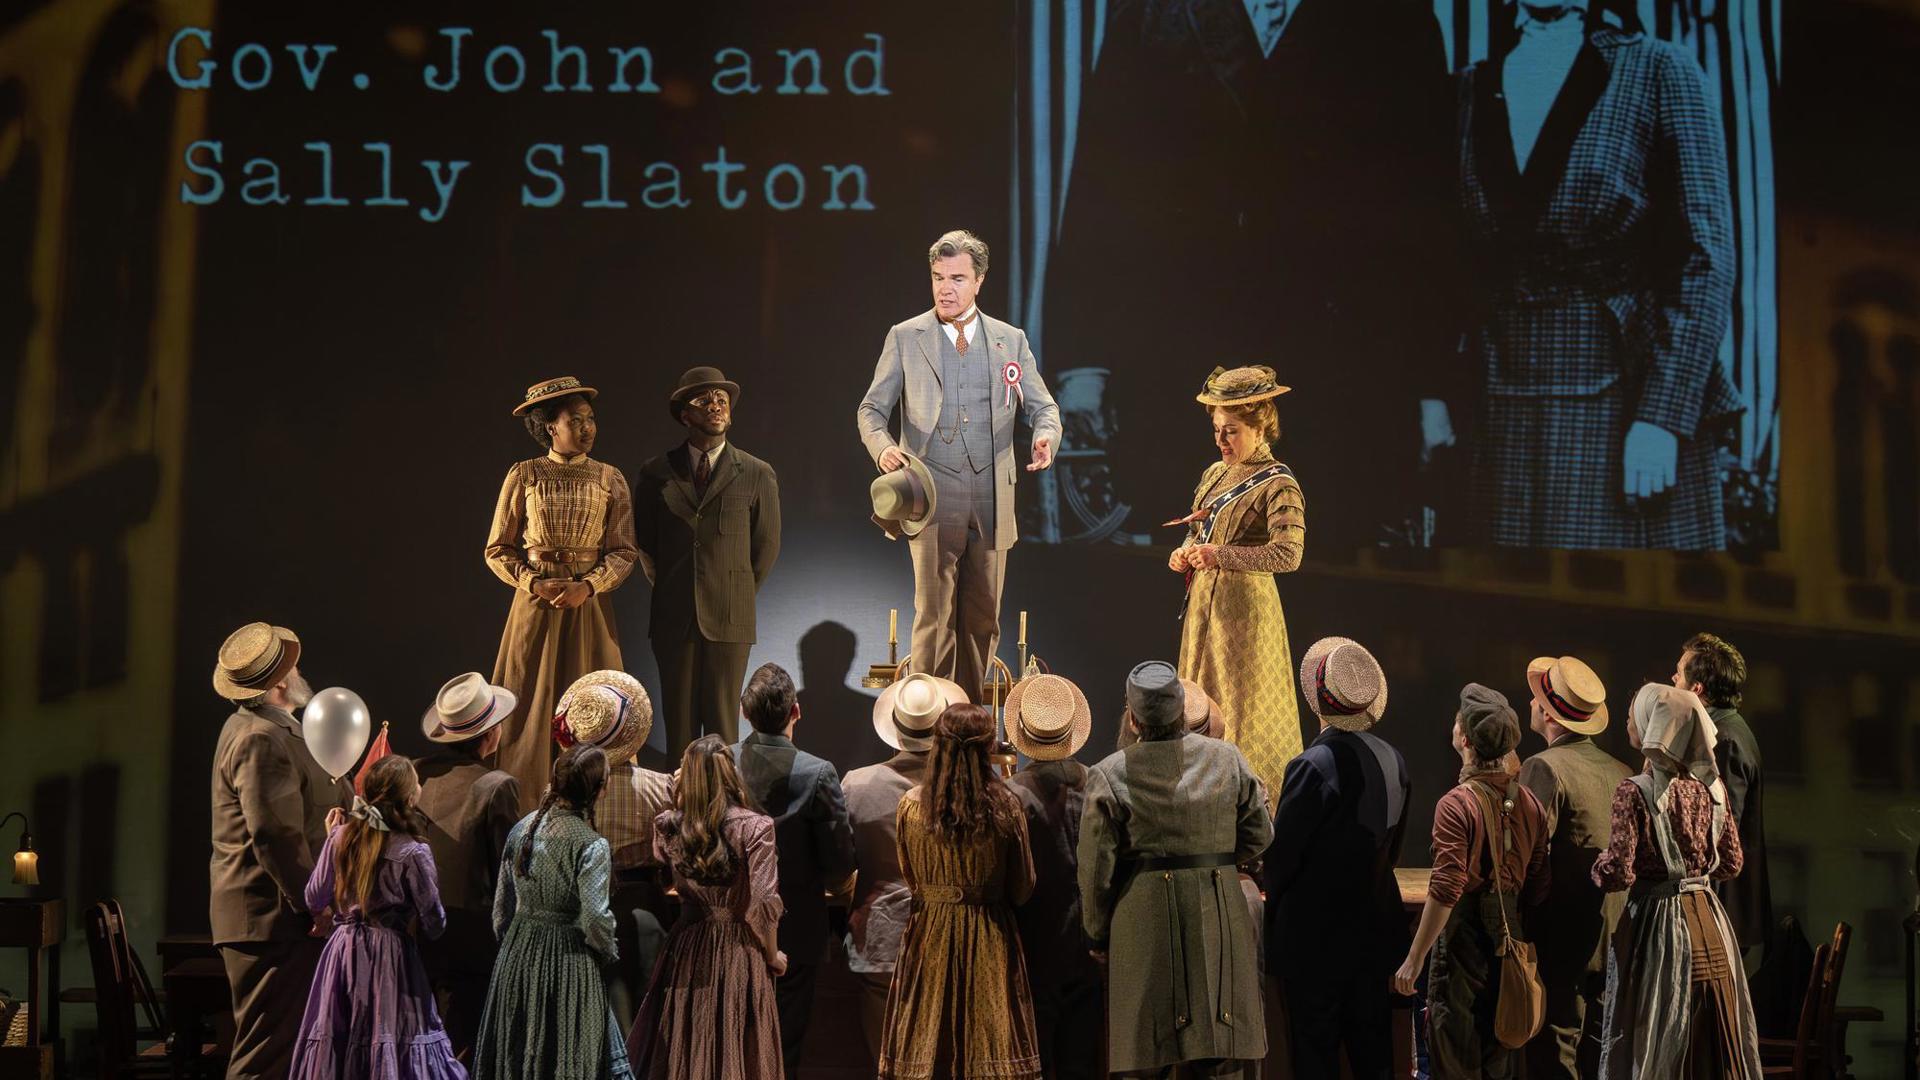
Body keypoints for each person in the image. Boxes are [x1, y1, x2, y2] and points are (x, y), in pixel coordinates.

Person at [1043, 0, 1458, 548]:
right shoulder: (1153, 15)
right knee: (1186, 590)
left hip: (1340, 381)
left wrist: (1429, 386)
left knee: (1325, 576)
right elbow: (1104, 187)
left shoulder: (1394, 20)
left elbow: (1425, 209)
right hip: (1180, 373)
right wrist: (1085, 366)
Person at [1458, 2, 1740, 548]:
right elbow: (1450, 260)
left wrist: (1664, 416)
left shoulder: (1659, 70)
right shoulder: (1472, 86)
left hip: (1621, 400)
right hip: (1500, 404)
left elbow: (1707, 255)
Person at [856, 229, 1061, 703]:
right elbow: (870, 410)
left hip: (992, 496)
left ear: (979, 281)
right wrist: (884, 448)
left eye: (957, 278)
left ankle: (968, 726)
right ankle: (926, 731)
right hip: (930, 495)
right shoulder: (906, 337)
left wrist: (1047, 436)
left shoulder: (1010, 340)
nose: (945, 288)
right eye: (938, 277)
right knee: (933, 616)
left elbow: (1043, 407)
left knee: (984, 618)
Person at [1080, 661, 1273, 1078]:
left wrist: (1097, 932)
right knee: (1220, 1051)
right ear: (1183, 710)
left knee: (1148, 1055)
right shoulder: (1227, 759)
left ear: (1133, 718)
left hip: (1143, 921)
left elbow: (1096, 869)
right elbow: (1260, 833)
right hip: (1217, 911)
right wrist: (1217, 860)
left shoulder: (1109, 774)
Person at [1591, 683, 1762, 1076]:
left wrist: (1595, 866)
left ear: (1656, 726)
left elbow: (1619, 872)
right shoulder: (1713, 790)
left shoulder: (1634, 792)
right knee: (1709, 1048)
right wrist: (1693, 870)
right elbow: (1731, 864)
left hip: (1659, 931)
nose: (1628, 719)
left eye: (1635, 712)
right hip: (1712, 932)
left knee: (1657, 1039)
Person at [487, 375, 639, 813]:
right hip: (535, 605)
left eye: (591, 419)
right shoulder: (524, 475)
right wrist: (532, 581)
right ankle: (524, 808)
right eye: (577, 420)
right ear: (551, 427)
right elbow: (497, 548)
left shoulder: (610, 478)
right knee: (529, 700)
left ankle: (601, 807)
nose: (588, 428)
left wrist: (588, 585)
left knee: (594, 697)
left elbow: (625, 551)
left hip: (587, 607)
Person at [208, 622, 352, 1080]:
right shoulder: (258, 738)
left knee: (286, 1051)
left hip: (277, 924)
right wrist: (314, 905)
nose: (300, 672)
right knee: (267, 1054)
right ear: (280, 683)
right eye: (294, 667)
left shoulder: (269, 730)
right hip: (272, 923)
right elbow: (274, 834)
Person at [1265, 637, 1411, 1080]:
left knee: (1315, 1055)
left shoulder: (1311, 765)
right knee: (1374, 1055)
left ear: (1318, 704)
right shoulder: (1395, 759)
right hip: (1374, 932)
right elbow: (1394, 847)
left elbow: (1283, 856)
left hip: (1315, 942)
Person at [1395, 684, 1550, 1078]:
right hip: (1509, 943)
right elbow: (1537, 883)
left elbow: (1446, 890)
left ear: (1464, 739)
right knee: (1499, 1057)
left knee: (1456, 1059)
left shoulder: (1457, 804)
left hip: (1463, 949)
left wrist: (1413, 961)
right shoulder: (1529, 802)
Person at [878, 703, 1040, 1079]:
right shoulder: (1005, 807)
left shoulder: (912, 807)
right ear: (987, 748)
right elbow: (1022, 887)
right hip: (989, 936)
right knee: (991, 1039)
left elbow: (911, 877)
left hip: (930, 934)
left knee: (927, 1034)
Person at [1172, 365, 1306, 802]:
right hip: (1205, 610)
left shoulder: (1279, 483)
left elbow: (1288, 554)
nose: (1220, 441)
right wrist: (1186, 550)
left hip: (1247, 618)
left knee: (1241, 710)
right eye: (1216, 430)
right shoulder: (1214, 474)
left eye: (1231, 431)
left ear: (1259, 427)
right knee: (1197, 702)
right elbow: (1200, 532)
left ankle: (1249, 807)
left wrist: (1220, 556)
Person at [634, 367, 782, 756]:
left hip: (730, 616)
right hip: (673, 616)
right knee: (678, 727)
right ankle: (680, 808)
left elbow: (765, 547)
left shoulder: (756, 472)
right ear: (685, 415)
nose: (716, 406)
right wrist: (674, 587)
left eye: (722, 399)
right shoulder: (656, 473)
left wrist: (734, 590)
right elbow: (645, 545)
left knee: (723, 725)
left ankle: (724, 808)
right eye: (704, 400)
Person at [291, 755, 464, 1078]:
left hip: (342, 952)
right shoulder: (413, 851)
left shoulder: (341, 837)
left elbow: (314, 896)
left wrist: (333, 840)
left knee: (342, 1036)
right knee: (391, 1034)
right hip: (390, 958)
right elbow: (434, 922)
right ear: (409, 797)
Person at [627, 735, 785, 1078]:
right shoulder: (757, 827)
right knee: (738, 1042)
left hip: (688, 948)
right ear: (731, 773)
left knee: (690, 1040)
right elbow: (764, 900)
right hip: (740, 950)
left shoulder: (669, 825)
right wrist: (773, 955)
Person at [472, 746, 634, 1080]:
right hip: (568, 961)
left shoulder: (523, 829)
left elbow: (501, 911)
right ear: (599, 790)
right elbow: (594, 919)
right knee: (568, 1049)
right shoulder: (591, 845)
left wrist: (516, 946)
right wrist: (607, 950)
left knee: (520, 1050)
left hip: (518, 955)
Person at [728, 664, 857, 1079]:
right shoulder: (818, 772)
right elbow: (840, 862)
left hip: (728, 925)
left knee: (732, 1040)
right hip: (796, 927)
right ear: (796, 712)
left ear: (745, 713)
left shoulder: (721, 764)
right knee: (786, 1042)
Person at [1515, 655, 1631, 1079]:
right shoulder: (1621, 770)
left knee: (1556, 1052)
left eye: (1535, 698)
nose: (1530, 704)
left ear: (1547, 713)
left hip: (1560, 936)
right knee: (1598, 1054)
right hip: (1612, 935)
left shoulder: (1543, 766)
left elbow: (1524, 854)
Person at [842, 672, 969, 1059]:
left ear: (895, 729)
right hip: (947, 941)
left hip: (881, 942)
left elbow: (841, 864)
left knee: (886, 1060)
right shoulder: (965, 791)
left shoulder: (857, 785)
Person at [551, 670, 672, 1026]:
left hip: (581, 909)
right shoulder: (660, 787)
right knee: (645, 1012)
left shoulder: (564, 792)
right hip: (644, 906)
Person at [414, 672, 523, 1064]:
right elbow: (509, 874)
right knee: (470, 1051)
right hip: (475, 944)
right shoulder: (497, 785)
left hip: (417, 938)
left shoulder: (418, 773)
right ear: (490, 734)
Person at [1005, 674, 1102, 1079]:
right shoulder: (1099, 783)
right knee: (1082, 1059)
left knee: (1035, 1060)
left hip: (1034, 942)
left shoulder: (1012, 794)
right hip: (1091, 941)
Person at [1674, 632, 1771, 956]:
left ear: (1697, 689)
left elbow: (1718, 832)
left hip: (1719, 913)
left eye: (1679, 673)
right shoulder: (1726, 730)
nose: (1673, 680)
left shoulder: (1723, 739)